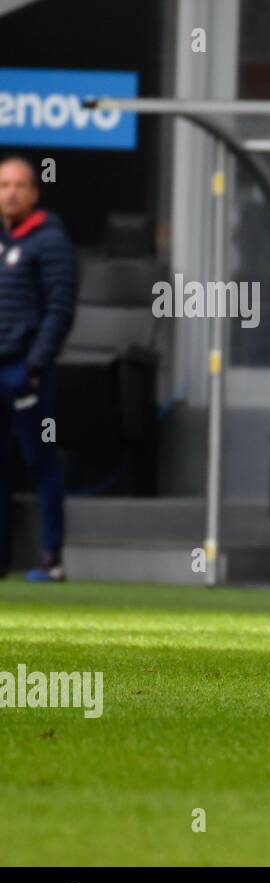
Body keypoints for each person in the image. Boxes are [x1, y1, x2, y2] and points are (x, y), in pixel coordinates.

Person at [0, 155, 75, 583]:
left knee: (41, 460)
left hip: (26, 374)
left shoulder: (50, 242)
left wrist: (34, 365)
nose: (10, 193)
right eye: (3, 185)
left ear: (34, 192)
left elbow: (59, 310)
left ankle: (52, 557)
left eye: (18, 185)